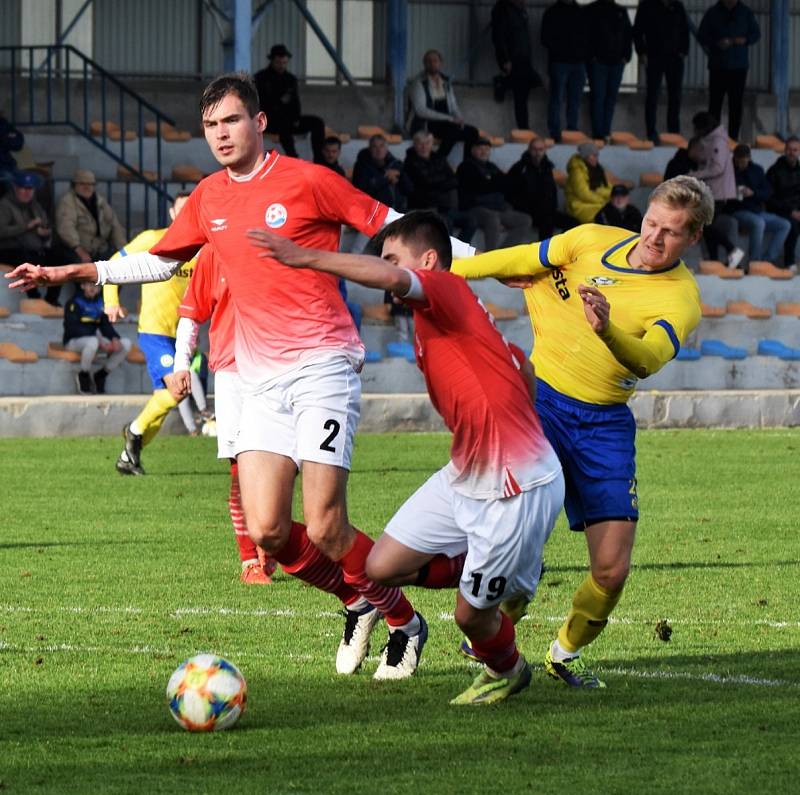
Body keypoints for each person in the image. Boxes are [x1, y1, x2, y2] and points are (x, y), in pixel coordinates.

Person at [7, 72, 475, 678]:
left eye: (230, 121)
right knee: (269, 530)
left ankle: (402, 620)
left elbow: (396, 222)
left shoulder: (309, 181)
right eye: (209, 126)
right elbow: (161, 261)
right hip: (253, 379)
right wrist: (72, 272)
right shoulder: (207, 196)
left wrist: (498, 264)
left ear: (258, 123)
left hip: (321, 364)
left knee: (329, 524)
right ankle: (359, 601)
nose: (220, 134)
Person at [251, 210, 564, 706]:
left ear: (429, 260)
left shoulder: (445, 287)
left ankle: (507, 669)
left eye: (394, 258)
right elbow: (517, 361)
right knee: (381, 566)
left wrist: (306, 257)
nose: (388, 273)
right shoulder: (438, 318)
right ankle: (507, 569)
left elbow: (398, 278)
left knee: (470, 618)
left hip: (515, 484)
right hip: (464, 473)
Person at [451, 175, 712, 688]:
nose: (654, 238)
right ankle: (494, 631)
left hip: (604, 425)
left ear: (693, 239)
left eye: (672, 233)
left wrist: (607, 329)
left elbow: (649, 359)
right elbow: (520, 258)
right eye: (652, 223)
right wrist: (449, 268)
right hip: (540, 404)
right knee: (521, 539)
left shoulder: (682, 299)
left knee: (612, 570)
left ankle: (564, 653)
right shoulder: (590, 239)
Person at [169, 246, 278, 585]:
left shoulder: (279, 243)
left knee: (281, 465)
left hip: (279, 367)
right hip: (232, 372)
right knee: (238, 467)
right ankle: (249, 559)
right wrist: (181, 364)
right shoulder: (215, 253)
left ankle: (271, 540)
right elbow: (192, 312)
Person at [103, 193, 197, 475]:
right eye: (181, 210)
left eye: (190, 210)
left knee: (166, 400)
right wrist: (111, 299)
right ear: (171, 213)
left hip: (181, 336)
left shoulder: (201, 248)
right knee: (178, 390)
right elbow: (112, 263)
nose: (184, 215)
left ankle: (128, 457)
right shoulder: (151, 239)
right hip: (155, 332)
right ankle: (133, 431)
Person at [0, 170, 67, 305]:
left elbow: (45, 224)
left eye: (30, 189)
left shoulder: (35, 206)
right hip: (9, 249)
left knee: (59, 258)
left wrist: (44, 232)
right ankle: (34, 298)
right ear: (15, 188)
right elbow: (2, 231)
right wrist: (26, 226)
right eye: (23, 188)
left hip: (34, 248)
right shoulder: (5, 205)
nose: (27, 192)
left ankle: (51, 300)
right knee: (26, 260)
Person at [697, 0, 760, 142]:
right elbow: (702, 35)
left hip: (738, 67)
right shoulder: (712, 13)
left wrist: (744, 40)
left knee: (736, 105)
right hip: (718, 66)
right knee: (714, 105)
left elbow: (756, 34)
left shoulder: (746, 13)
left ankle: (733, 138)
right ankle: (713, 137)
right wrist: (716, 43)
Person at [689, 111, 744, 268]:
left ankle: (732, 250)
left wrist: (695, 175)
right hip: (714, 191)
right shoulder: (713, 140)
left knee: (705, 225)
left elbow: (717, 168)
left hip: (718, 193)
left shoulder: (717, 141)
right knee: (707, 227)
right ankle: (714, 260)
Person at [253, 44, 325, 162]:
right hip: (269, 121)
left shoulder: (291, 79)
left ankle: (319, 160)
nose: (282, 66)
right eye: (278, 63)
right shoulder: (260, 78)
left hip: (290, 120)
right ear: (272, 61)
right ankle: (294, 158)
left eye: (284, 63)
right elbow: (261, 104)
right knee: (284, 125)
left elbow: (295, 103)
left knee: (317, 123)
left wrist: (296, 118)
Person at [457, 137, 532, 251]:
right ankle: (490, 256)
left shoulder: (491, 167)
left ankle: (503, 254)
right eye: (480, 149)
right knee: (493, 218)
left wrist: (492, 183)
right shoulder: (465, 167)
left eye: (487, 149)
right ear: (473, 150)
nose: (484, 152)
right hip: (475, 209)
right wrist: (494, 183)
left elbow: (505, 184)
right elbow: (480, 188)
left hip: (497, 208)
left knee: (525, 219)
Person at [633, 0, 690, 144]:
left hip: (675, 58)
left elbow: (684, 30)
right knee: (652, 95)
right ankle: (651, 132)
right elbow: (637, 31)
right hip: (654, 57)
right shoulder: (647, 5)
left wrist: (683, 51)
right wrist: (642, 52)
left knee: (675, 96)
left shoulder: (677, 6)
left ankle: (673, 132)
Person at [404, 130, 475, 242]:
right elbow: (426, 183)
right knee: (446, 222)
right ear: (414, 144)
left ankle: (460, 253)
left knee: (471, 221)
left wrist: (437, 182)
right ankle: (448, 255)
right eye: (420, 143)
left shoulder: (439, 158)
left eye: (427, 143)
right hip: (424, 207)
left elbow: (453, 180)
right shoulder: (410, 162)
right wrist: (442, 181)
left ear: (432, 144)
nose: (424, 146)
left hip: (444, 206)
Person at [63, 280, 132, 395]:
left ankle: (101, 375)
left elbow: (105, 325)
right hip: (73, 341)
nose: (93, 288)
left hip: (95, 340)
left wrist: (114, 338)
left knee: (125, 344)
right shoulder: (74, 303)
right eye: (89, 284)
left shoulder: (101, 303)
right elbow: (72, 328)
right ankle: (84, 375)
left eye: (96, 286)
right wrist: (99, 340)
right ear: (82, 285)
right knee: (93, 341)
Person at [407, 49, 479, 160]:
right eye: (428, 61)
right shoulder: (418, 83)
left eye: (435, 60)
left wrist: (459, 118)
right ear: (424, 64)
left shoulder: (446, 81)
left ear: (440, 63)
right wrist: (449, 119)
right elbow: (421, 110)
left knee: (473, 132)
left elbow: (453, 105)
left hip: (445, 123)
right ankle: (438, 159)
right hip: (425, 123)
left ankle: (467, 163)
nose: (432, 63)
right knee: (453, 131)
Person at [730, 144, 790, 266]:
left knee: (784, 224)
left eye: (743, 161)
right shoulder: (729, 170)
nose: (741, 164)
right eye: (738, 161)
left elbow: (767, 192)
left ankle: (767, 261)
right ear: (734, 158)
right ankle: (754, 262)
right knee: (758, 223)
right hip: (738, 210)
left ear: (749, 158)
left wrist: (753, 193)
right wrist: (735, 193)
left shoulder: (757, 170)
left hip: (756, 210)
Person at [506, 137, 576, 239]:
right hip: (528, 212)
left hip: (549, 210)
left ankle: (561, 248)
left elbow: (552, 190)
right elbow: (510, 192)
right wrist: (523, 207)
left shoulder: (547, 167)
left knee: (573, 223)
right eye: (534, 149)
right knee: (547, 221)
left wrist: (553, 207)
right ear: (529, 149)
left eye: (540, 150)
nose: (537, 153)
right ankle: (544, 253)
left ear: (545, 150)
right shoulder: (519, 168)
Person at [541, 0, 590, 142]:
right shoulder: (552, 12)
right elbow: (544, 38)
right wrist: (560, 49)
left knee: (575, 98)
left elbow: (588, 36)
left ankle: (572, 130)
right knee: (557, 97)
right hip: (560, 62)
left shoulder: (581, 12)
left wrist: (583, 54)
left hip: (578, 63)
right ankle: (555, 132)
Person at [490, 0, 542, 131]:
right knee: (521, 95)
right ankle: (523, 127)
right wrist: (505, 59)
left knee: (535, 82)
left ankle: (503, 82)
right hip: (513, 58)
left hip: (524, 58)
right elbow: (498, 37)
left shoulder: (520, 11)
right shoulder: (502, 10)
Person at [585, 0, 633, 141]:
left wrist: (626, 56)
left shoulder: (621, 11)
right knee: (598, 97)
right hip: (598, 62)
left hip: (617, 62)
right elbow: (585, 34)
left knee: (610, 98)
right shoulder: (591, 10)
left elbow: (628, 34)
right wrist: (591, 57)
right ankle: (598, 133)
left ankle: (606, 131)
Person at [56, 169, 126, 264]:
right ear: (74, 185)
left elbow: (114, 225)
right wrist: (79, 249)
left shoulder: (100, 201)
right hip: (76, 250)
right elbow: (66, 228)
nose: (87, 187)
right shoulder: (68, 202)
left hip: (100, 250)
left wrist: (123, 251)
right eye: (82, 184)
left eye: (91, 184)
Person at [767, 136, 800, 269]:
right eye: (789, 149)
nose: (791, 153)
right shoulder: (774, 170)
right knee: (792, 224)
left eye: (795, 150)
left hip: (797, 211)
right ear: (784, 151)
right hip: (780, 210)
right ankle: (789, 262)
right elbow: (770, 198)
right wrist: (790, 211)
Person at [352, 134, 410, 211]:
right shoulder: (361, 166)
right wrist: (386, 178)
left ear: (386, 148)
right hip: (374, 212)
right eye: (375, 146)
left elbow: (409, 189)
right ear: (370, 149)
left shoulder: (396, 164)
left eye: (382, 146)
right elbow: (362, 190)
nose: (379, 150)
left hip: (398, 212)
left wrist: (400, 175)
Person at [565, 142, 612, 224]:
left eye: (597, 155)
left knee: (614, 209)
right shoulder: (577, 171)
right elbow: (583, 194)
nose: (596, 158)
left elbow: (604, 187)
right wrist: (603, 201)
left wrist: (612, 194)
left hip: (591, 202)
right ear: (585, 156)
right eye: (593, 156)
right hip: (577, 205)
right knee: (605, 212)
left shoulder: (597, 169)